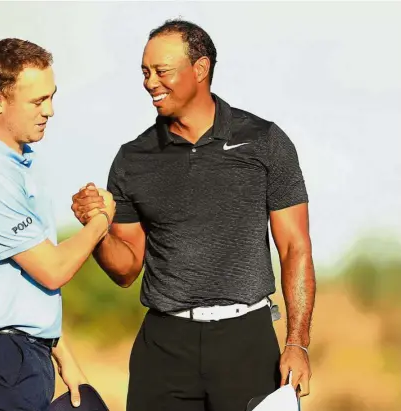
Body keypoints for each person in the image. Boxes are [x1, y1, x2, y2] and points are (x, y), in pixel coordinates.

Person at [71, 19, 316, 411]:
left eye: (161, 71)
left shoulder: (265, 141)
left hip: (246, 342)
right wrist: (97, 228)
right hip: (164, 346)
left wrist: (296, 342)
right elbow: (126, 269)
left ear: (200, 69)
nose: (151, 82)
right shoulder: (133, 159)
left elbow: (295, 248)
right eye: (145, 72)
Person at [0, 38, 115, 411]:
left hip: (21, 355)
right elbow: (53, 270)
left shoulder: (19, 165)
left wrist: (64, 358)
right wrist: (101, 220)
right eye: (38, 101)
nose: (50, 110)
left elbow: (28, 287)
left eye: (51, 97)